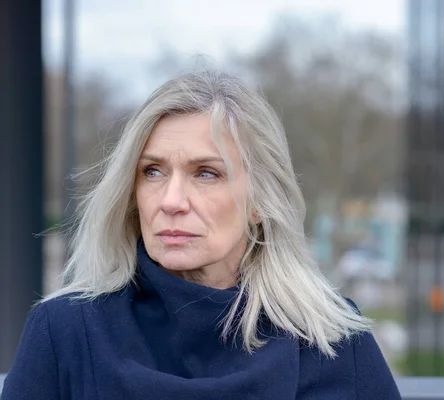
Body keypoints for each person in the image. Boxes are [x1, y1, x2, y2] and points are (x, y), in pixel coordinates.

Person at [1, 69, 402, 399]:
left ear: (260, 201)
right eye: (152, 171)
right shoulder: (65, 331)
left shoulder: (331, 340)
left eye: (206, 173)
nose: (171, 200)